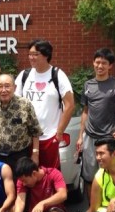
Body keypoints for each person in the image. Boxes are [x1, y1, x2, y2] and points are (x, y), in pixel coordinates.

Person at [77, 48, 115, 201]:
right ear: (93, 63)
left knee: (113, 173)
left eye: (104, 63)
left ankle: (113, 206)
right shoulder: (88, 85)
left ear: (110, 66)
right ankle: (92, 210)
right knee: (89, 176)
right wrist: (80, 136)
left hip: (109, 138)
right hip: (90, 137)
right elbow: (85, 111)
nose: (100, 66)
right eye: (97, 62)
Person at [15, 39, 74, 169]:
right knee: (28, 175)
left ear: (46, 55)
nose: (31, 57)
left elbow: (69, 105)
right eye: (30, 54)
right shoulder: (24, 75)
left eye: (35, 54)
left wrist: (59, 133)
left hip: (49, 137)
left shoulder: (57, 75)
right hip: (27, 138)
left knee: (49, 176)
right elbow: (15, 103)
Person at [0, 74, 42, 171]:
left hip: (19, 156)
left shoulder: (25, 105)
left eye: (7, 86)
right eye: (0, 86)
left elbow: (35, 131)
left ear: (14, 88)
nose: (3, 90)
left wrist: (35, 154)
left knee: (19, 185)